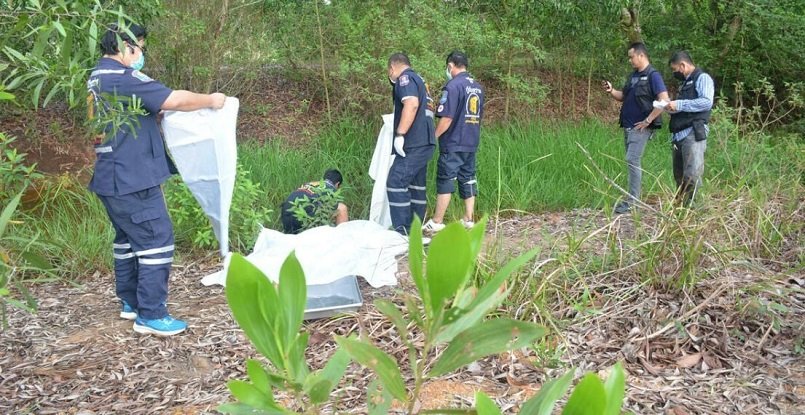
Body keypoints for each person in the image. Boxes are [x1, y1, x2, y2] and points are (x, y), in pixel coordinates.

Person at [87, 22, 226, 336]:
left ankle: (130, 302)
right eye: (139, 47)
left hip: (111, 175)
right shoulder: (122, 77)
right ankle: (151, 314)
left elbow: (135, 111)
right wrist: (210, 100)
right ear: (124, 46)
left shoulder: (96, 77)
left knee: (127, 240)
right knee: (155, 240)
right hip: (132, 177)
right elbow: (174, 99)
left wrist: (153, 113)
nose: (141, 54)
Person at [603, 42, 669, 214]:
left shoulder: (653, 76)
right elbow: (623, 96)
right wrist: (612, 90)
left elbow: (664, 100)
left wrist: (648, 120)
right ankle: (633, 199)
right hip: (627, 126)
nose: (630, 60)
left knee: (632, 159)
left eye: (631, 57)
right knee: (631, 161)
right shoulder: (633, 76)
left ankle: (633, 202)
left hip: (641, 128)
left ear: (641, 55)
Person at [423, 51, 484, 233]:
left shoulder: (453, 86)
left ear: (450, 66)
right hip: (471, 140)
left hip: (454, 140)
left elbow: (447, 118)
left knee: (446, 178)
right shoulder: (478, 87)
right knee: (468, 178)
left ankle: (437, 221)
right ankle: (469, 218)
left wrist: (433, 137)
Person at [385, 53, 436, 235]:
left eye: (388, 71)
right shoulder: (421, 80)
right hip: (426, 141)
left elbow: (412, 104)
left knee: (395, 181)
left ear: (392, 68)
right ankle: (415, 231)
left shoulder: (404, 79)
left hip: (413, 142)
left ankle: (403, 232)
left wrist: (400, 134)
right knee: (416, 186)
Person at [665, 51, 714, 206]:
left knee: (692, 175)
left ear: (683, 65)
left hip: (693, 132)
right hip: (678, 135)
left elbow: (706, 102)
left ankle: (694, 210)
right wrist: (670, 108)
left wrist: (679, 104)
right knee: (679, 176)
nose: (674, 73)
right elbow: (686, 107)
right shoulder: (684, 84)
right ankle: (681, 209)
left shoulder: (703, 78)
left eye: (674, 69)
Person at [280, 169, 348, 234]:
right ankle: (342, 238)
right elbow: (337, 209)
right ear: (337, 184)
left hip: (286, 214)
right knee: (341, 208)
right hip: (302, 218)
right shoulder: (330, 188)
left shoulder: (309, 184)